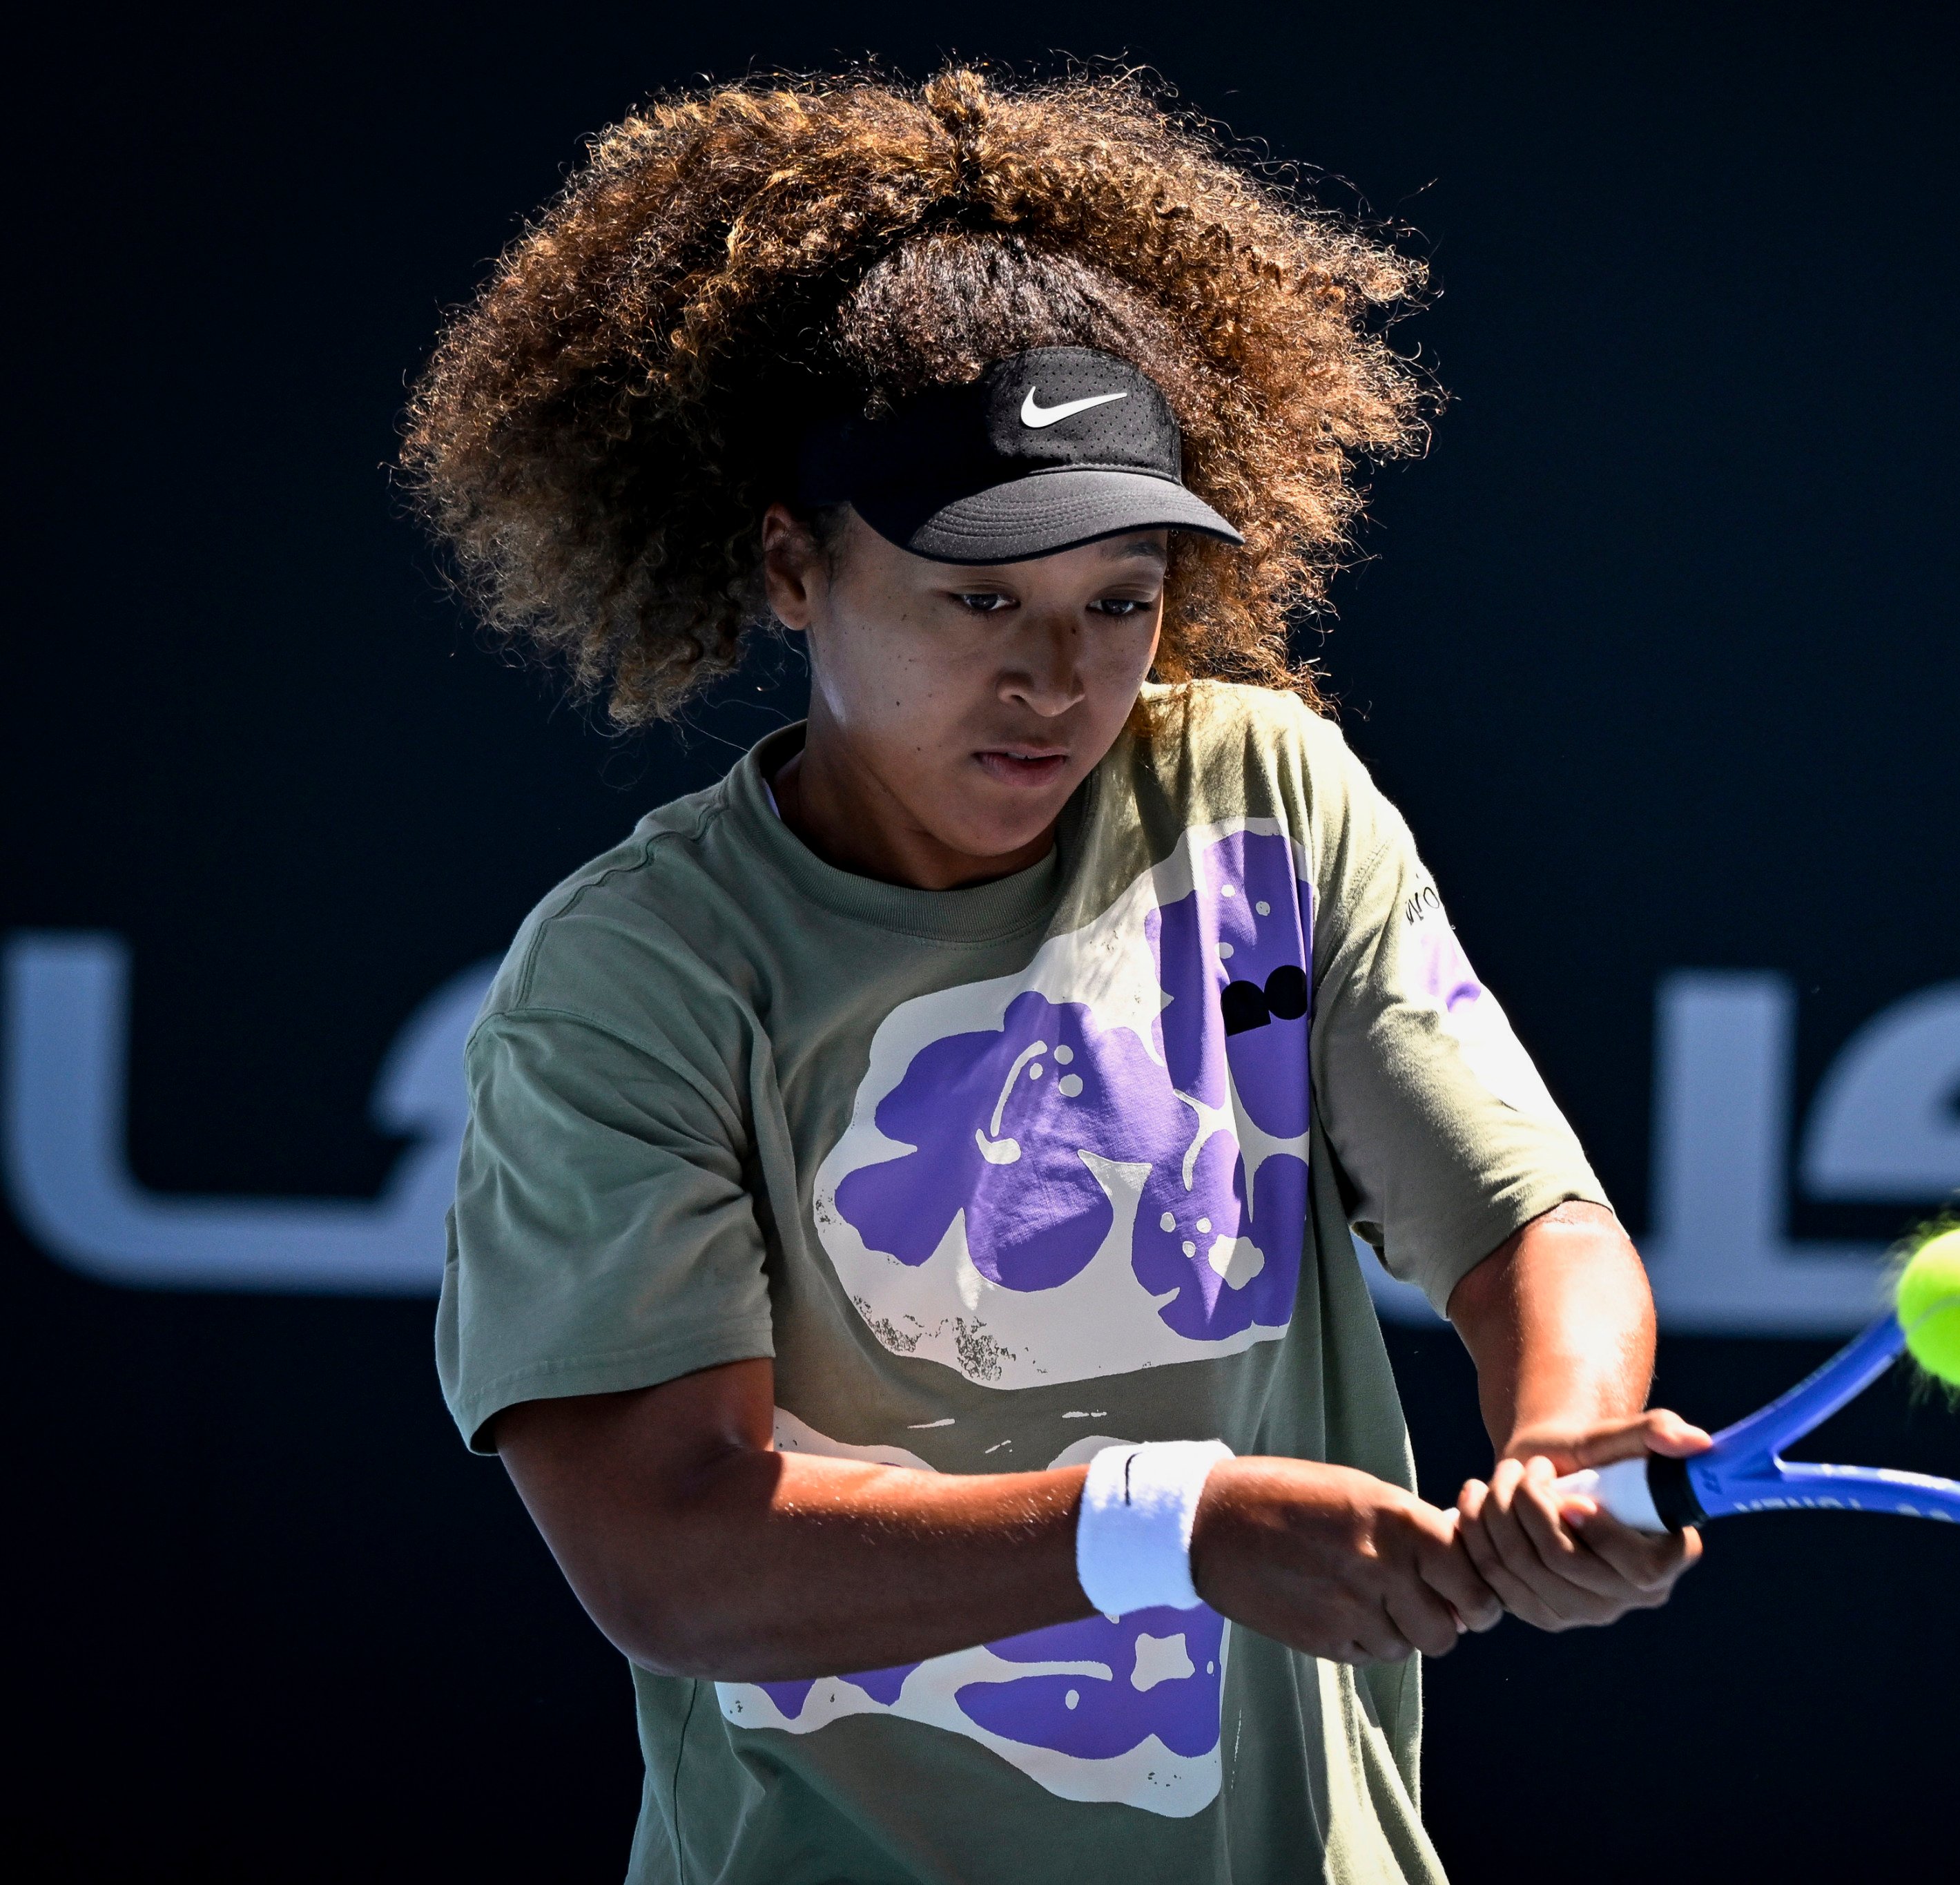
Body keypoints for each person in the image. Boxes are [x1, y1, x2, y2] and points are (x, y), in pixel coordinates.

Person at [405, 67, 1705, 1882]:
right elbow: (671, 1553)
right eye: (980, 597)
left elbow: (1523, 1225)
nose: (1059, 680)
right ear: (794, 565)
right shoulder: (634, 978)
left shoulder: (1266, 797)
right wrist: (1168, 1518)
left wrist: (1566, 1434)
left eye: (1121, 597)